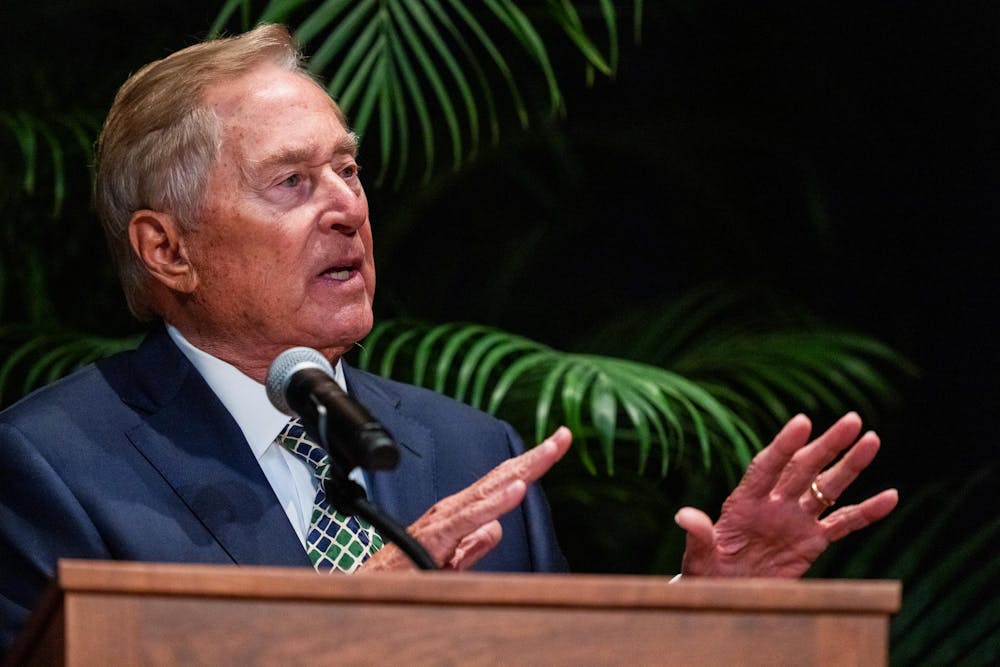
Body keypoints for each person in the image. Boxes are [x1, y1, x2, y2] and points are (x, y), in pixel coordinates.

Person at [0, 24, 898, 655]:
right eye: (292, 180)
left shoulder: (474, 451)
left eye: (348, 170)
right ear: (168, 248)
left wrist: (695, 620)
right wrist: (351, 625)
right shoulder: (50, 464)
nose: (347, 206)